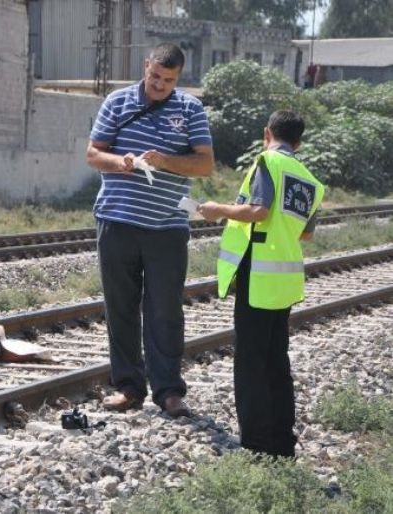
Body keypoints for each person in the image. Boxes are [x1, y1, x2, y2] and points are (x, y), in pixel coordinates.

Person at [86, 43, 214, 417]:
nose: (160, 85)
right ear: (146, 66)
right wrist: (121, 161)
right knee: (121, 308)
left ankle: (169, 391)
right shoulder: (117, 102)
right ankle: (128, 387)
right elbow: (94, 154)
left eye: (168, 80)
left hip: (167, 228)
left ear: (179, 78)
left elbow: (204, 164)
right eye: (155, 76)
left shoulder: (190, 109)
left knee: (165, 311)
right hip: (118, 222)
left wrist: (166, 162)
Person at [198, 110, 324, 457]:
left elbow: (258, 211)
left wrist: (218, 209)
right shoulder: (309, 179)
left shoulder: (267, 161)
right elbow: (308, 234)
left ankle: (256, 447)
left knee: (251, 364)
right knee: (276, 362)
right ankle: (282, 445)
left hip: (258, 275)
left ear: (266, 133)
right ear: (299, 142)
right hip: (284, 280)